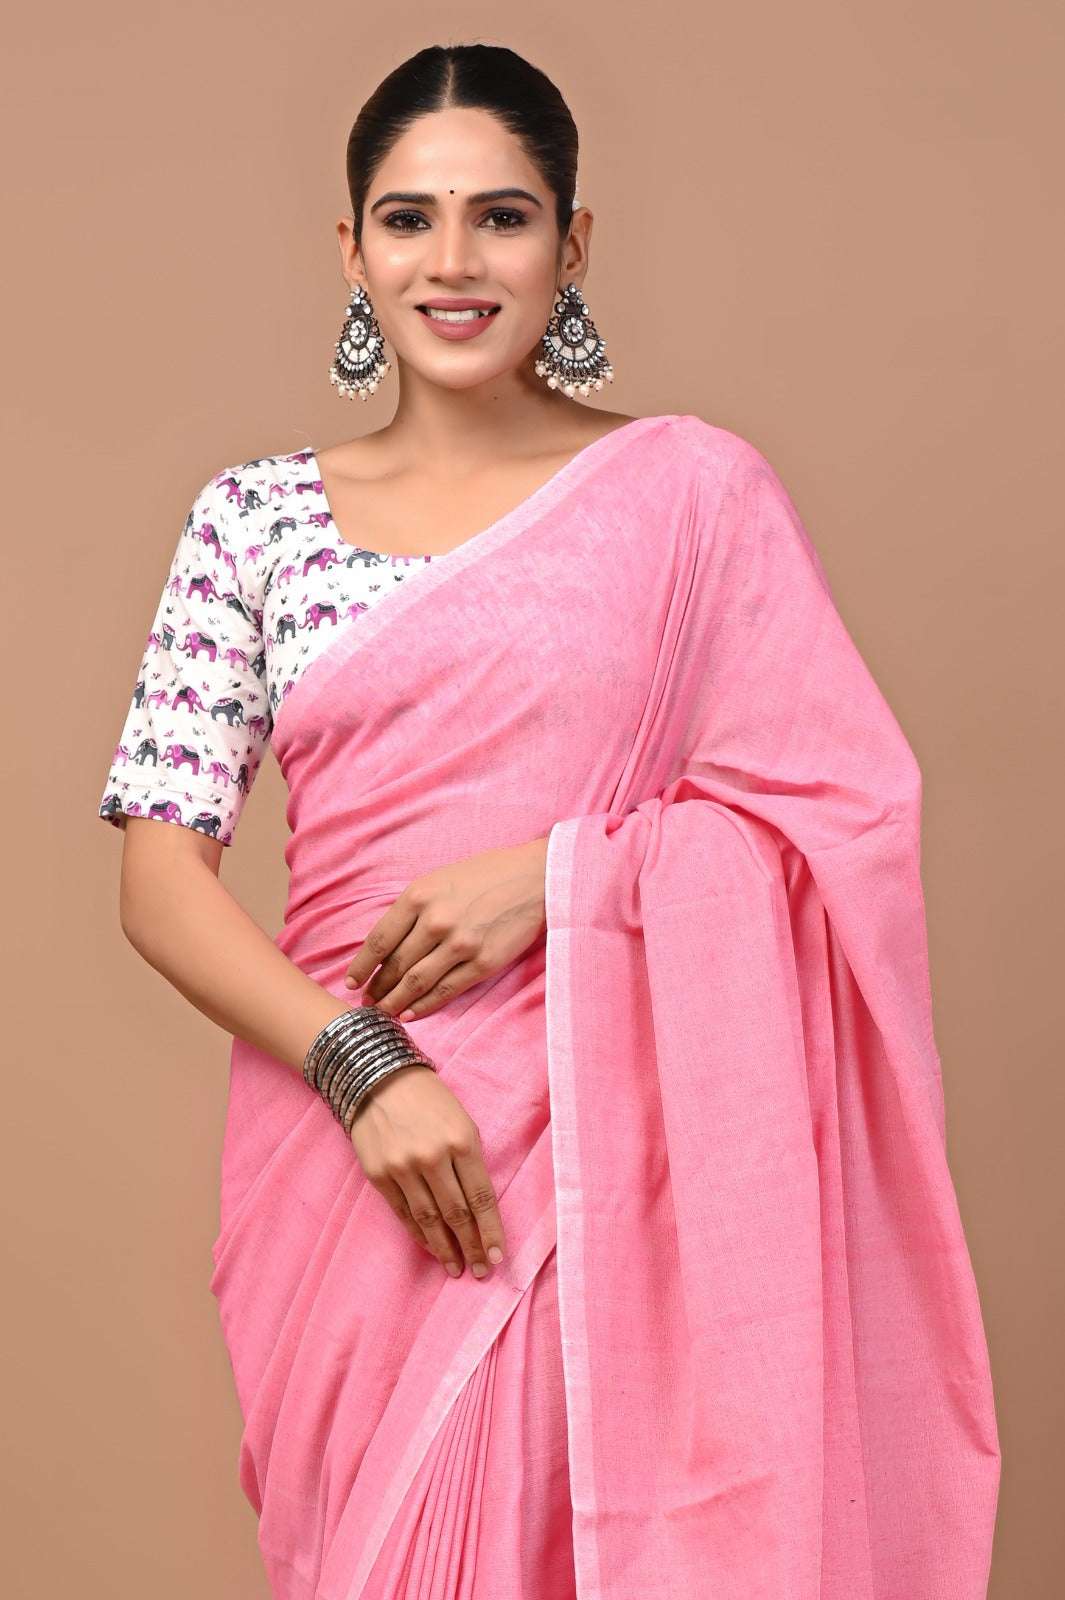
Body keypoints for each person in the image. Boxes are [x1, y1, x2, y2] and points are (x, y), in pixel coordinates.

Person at [97, 41, 1001, 1600]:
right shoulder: (250, 521)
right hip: (347, 1149)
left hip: (617, 1159)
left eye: (501, 218)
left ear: (570, 244)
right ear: (351, 249)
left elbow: (839, 811)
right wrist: (365, 1069)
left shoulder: (694, 494)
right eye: (409, 219)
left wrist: (559, 880)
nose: (452, 262)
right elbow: (158, 880)